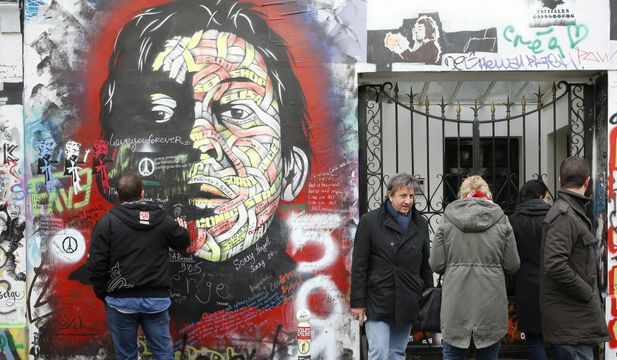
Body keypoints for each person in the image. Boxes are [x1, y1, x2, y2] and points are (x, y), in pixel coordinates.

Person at [93, 0, 313, 322]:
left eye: (237, 112)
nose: (201, 142)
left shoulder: (308, 297)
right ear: (114, 164)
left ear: (292, 170)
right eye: (160, 113)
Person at [87, 172, 191, 360]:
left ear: (118, 195)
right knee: (163, 353)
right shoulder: (162, 220)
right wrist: (182, 230)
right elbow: (182, 242)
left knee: (126, 356)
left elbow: (96, 264)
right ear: (142, 193)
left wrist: (104, 293)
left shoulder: (107, 223)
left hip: (120, 301)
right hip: (156, 301)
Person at [429, 175, 519, 360]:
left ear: (462, 194)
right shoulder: (501, 220)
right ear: (487, 193)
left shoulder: (448, 220)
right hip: (490, 306)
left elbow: (436, 264)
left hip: (456, 306)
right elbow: (512, 264)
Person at [351, 173, 433, 360]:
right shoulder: (370, 221)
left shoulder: (420, 224)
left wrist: (427, 297)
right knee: (378, 352)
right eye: (403, 196)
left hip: (408, 296)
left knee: (397, 352)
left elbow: (424, 264)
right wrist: (357, 302)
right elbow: (359, 264)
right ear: (390, 195)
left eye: (411, 196)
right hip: (378, 297)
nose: (408, 201)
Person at [540, 157, 609, 360]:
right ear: (587, 182)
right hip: (571, 326)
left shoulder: (571, 212)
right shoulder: (564, 215)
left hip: (575, 325)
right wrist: (586, 292)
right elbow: (554, 264)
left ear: (560, 180)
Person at [508, 180, 553, 360]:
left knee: (534, 340)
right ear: (541, 197)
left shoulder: (514, 220)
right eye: (547, 197)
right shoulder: (554, 217)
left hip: (525, 285)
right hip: (552, 285)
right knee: (556, 338)